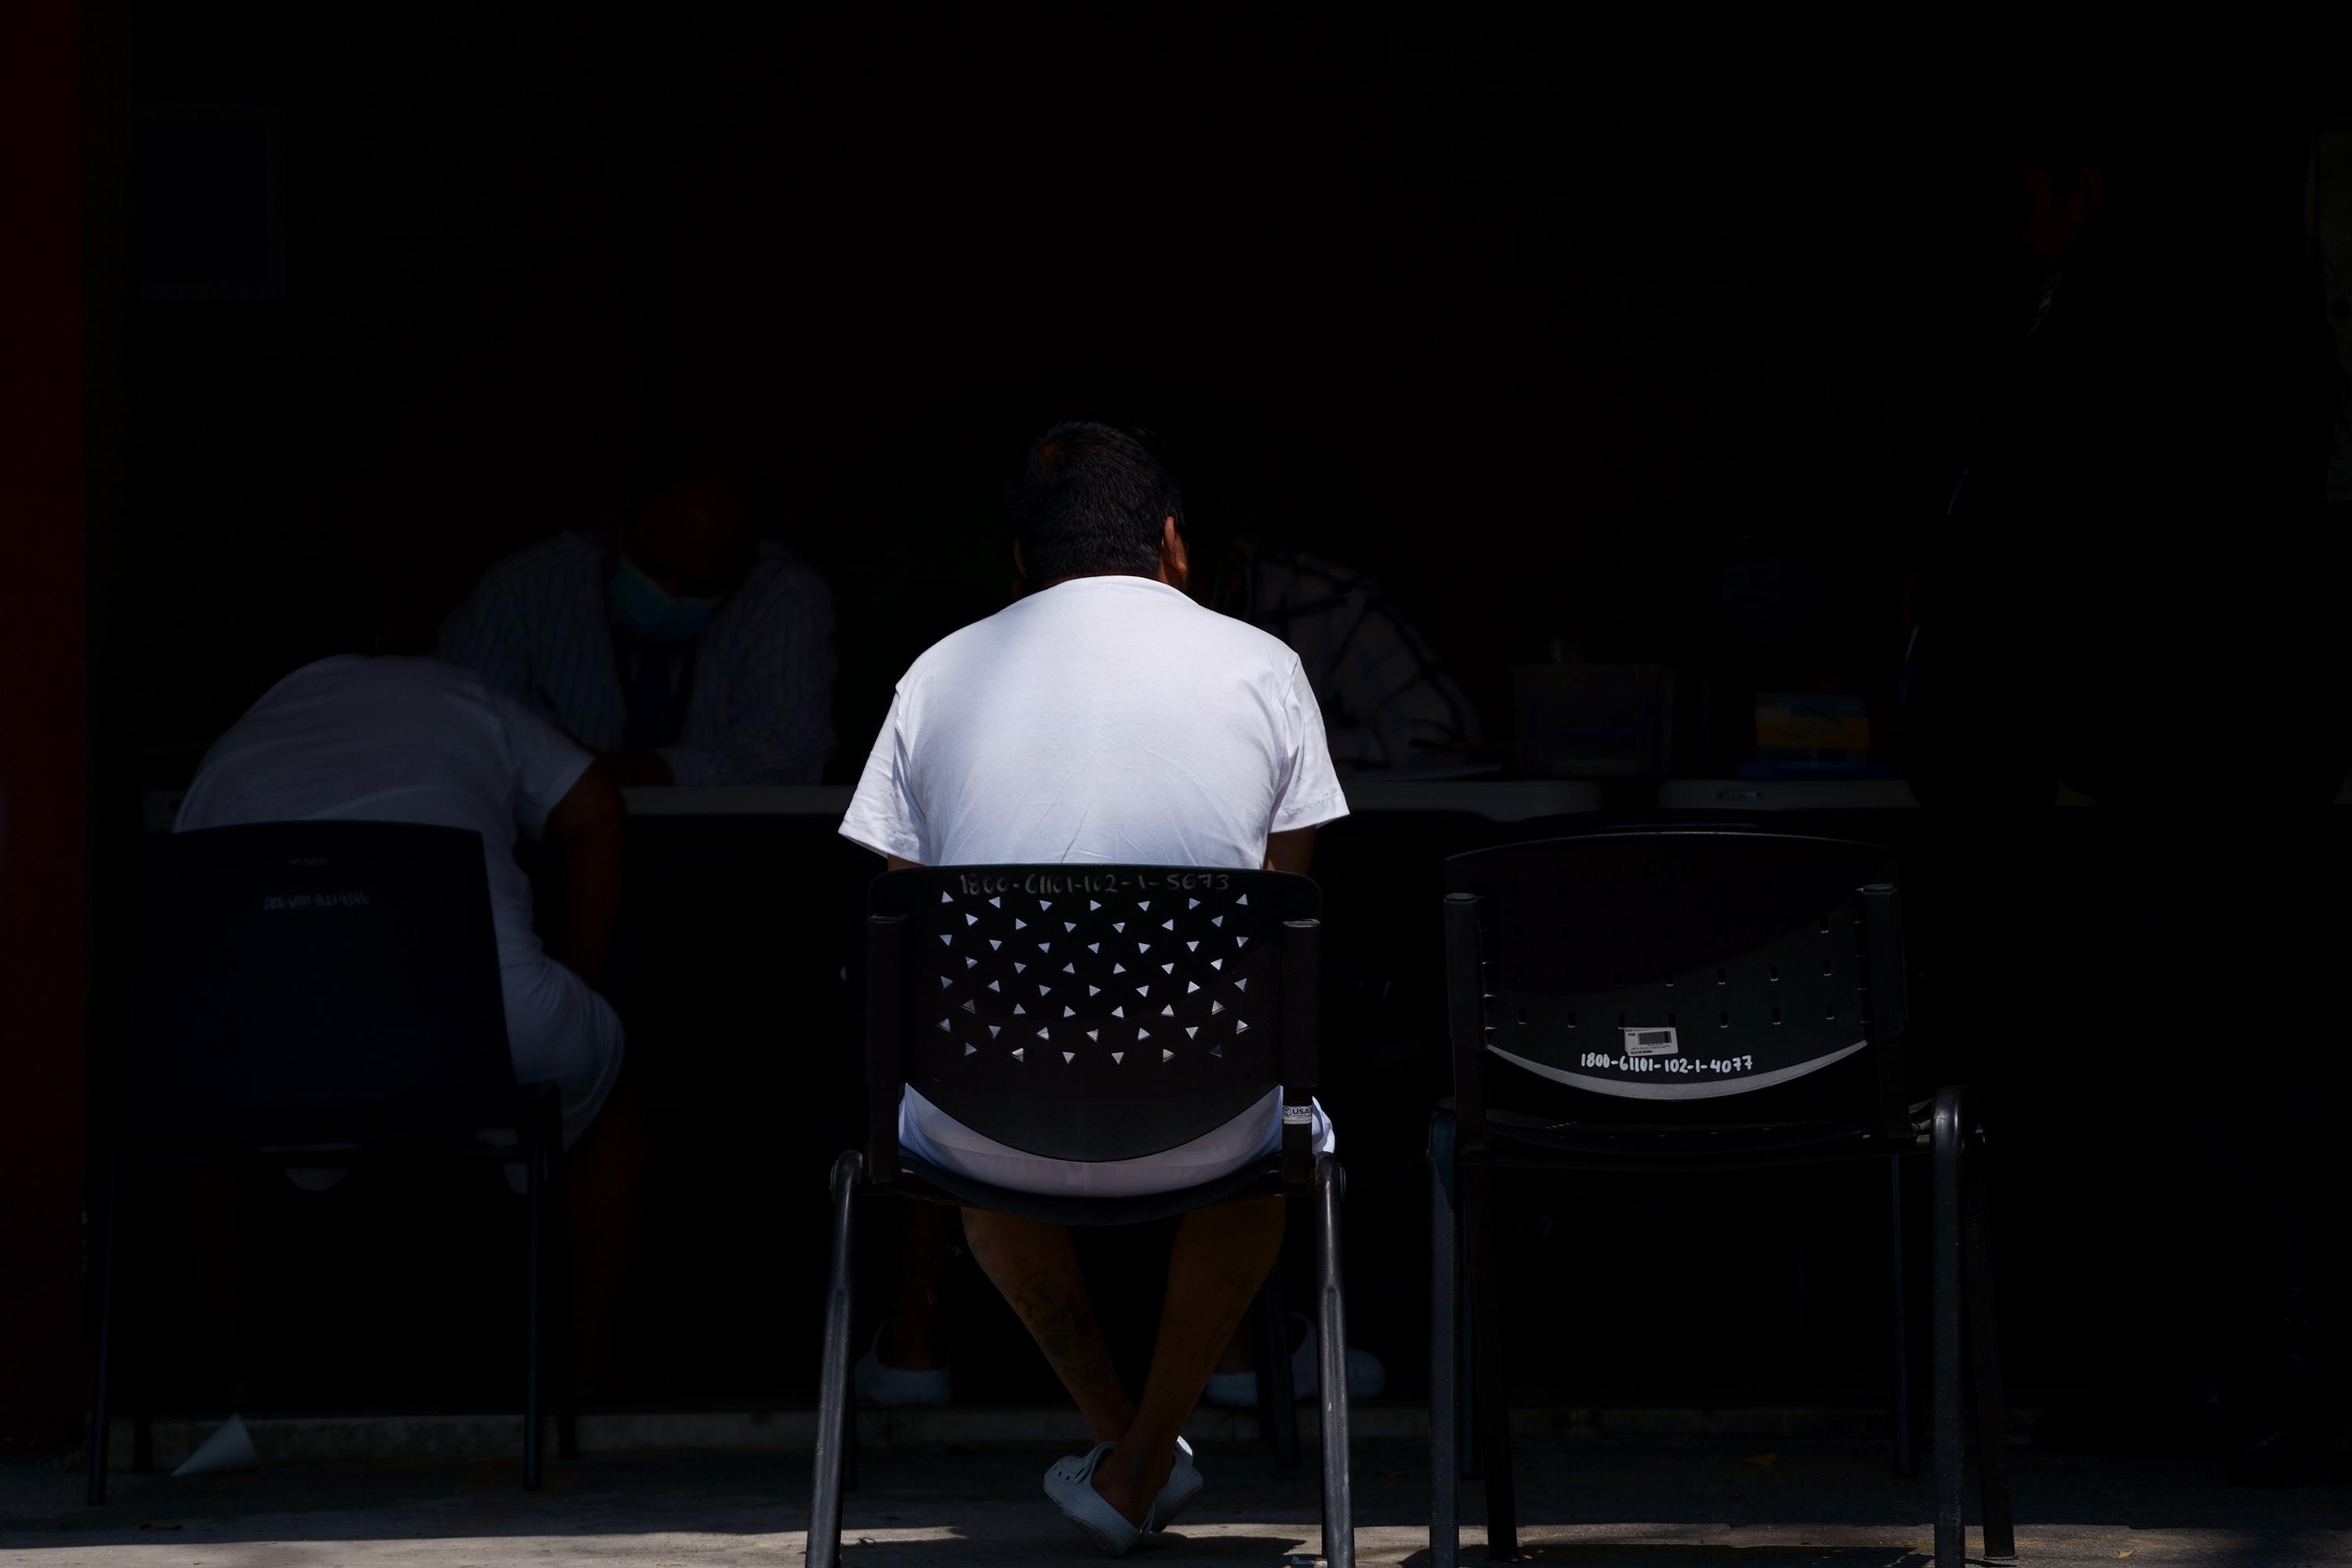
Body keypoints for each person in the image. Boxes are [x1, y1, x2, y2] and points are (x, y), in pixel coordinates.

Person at [838, 422, 1349, 1552]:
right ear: (1173, 544)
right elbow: (1283, 913)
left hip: (988, 1123)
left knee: (958, 1125)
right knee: (1275, 1144)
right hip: (1210, 1118)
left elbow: (907, 923)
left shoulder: (935, 674)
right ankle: (1137, 1457)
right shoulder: (1266, 667)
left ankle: (1130, 1451)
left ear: (1018, 564)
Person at [169, 576, 645, 1449]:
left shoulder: (224, 759)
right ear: (383, 637)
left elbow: (195, 957)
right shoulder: (451, 690)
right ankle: (592, 1382)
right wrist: (573, 977)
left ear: (254, 669)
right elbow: (597, 812)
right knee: (606, 1079)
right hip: (485, 1025)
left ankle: (232, 1380)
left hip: (284, 1051)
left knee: (195, 1115)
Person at [438, 451, 837, 786]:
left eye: (699, 586)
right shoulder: (525, 588)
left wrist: (610, 773)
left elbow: (787, 754)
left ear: (745, 568)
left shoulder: (782, 595)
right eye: (655, 570)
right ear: (619, 530)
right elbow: (458, 730)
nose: (671, 598)